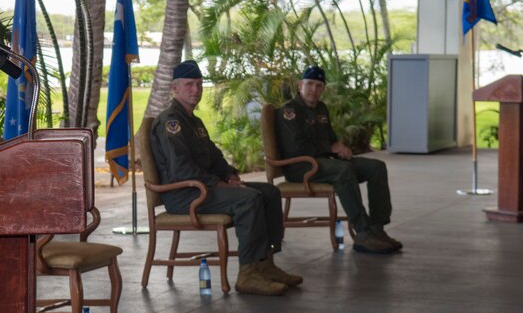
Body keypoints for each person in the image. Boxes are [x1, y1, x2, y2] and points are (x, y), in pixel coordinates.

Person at [150, 60, 302, 296]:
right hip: (184, 194)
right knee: (248, 199)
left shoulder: (195, 122)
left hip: (203, 189)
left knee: (270, 192)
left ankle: (266, 264)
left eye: (199, 84)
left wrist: (229, 175)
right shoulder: (171, 121)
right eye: (189, 84)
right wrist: (218, 183)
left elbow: (214, 156)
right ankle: (247, 274)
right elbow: (181, 170)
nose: (196, 90)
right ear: (174, 88)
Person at [276, 65, 402, 254]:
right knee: (342, 171)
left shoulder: (321, 108)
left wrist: (341, 150)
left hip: (324, 162)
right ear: (300, 85)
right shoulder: (289, 111)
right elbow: (296, 148)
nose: (313, 90)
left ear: (323, 89)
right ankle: (363, 233)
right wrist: (329, 148)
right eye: (309, 84)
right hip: (300, 166)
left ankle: (377, 228)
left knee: (376, 167)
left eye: (319, 86)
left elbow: (331, 139)